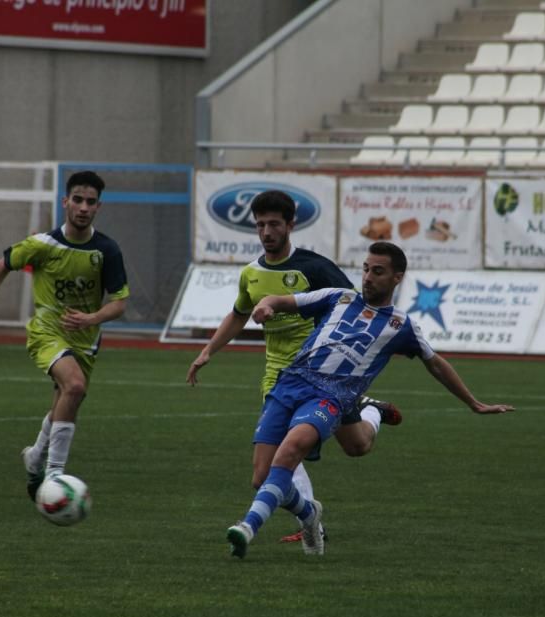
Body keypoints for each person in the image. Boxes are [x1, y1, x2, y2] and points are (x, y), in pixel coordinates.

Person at [225, 241, 514, 558]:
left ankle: (247, 528)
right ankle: (310, 513)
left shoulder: (401, 325)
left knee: (292, 449)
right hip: (291, 383)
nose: (368, 277)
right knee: (270, 473)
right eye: (365, 269)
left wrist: (473, 403)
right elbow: (281, 300)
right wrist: (266, 306)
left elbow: (436, 364)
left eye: (378, 271)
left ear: (396, 278)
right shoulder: (338, 297)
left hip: (331, 396)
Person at [186, 189, 402, 542]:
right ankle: (310, 519)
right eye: (260, 225)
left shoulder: (314, 268)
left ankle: (370, 412)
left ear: (290, 225)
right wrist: (208, 351)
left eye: (274, 224)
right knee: (270, 468)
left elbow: (354, 305)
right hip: (277, 376)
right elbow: (239, 314)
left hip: (323, 376)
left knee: (354, 447)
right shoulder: (251, 274)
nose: (267, 232)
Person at [0, 170, 129, 501]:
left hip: (85, 339)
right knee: (75, 385)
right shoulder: (43, 245)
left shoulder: (107, 250)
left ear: (99, 207)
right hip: (47, 331)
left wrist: (92, 317)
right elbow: (2, 265)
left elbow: (120, 303)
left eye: (91, 202)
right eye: (78, 200)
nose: (84, 207)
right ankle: (55, 476)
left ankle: (36, 455)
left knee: (67, 401)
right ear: (65, 201)